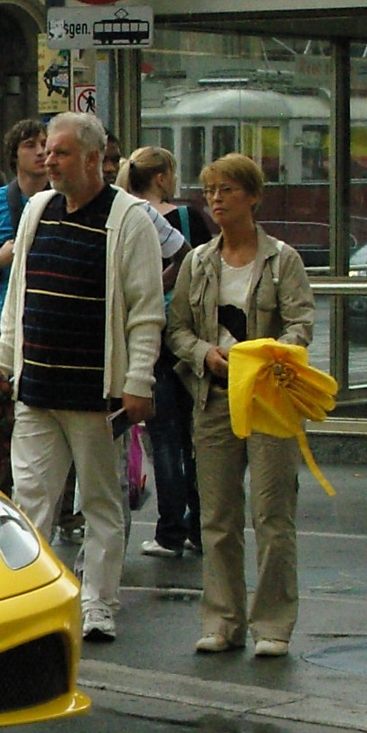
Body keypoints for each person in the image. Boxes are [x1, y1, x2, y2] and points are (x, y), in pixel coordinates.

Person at [0, 112, 165, 641]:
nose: (48, 161)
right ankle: (29, 604)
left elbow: (146, 312)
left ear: (92, 159)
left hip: (96, 394)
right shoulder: (38, 209)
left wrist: (138, 383)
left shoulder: (129, 220)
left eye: (59, 153)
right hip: (37, 389)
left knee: (100, 504)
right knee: (31, 500)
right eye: (46, 151)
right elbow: (19, 295)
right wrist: (2, 362)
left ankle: (99, 605)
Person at [166, 153, 314, 658]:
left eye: (227, 190)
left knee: (273, 515)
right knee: (217, 515)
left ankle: (272, 624)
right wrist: (204, 354)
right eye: (210, 191)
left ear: (252, 196)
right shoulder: (199, 261)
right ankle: (222, 619)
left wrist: (267, 355)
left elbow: (301, 324)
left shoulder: (282, 260)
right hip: (213, 399)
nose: (216, 200)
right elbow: (177, 328)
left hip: (269, 400)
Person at [121, 146, 208, 559]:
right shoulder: (187, 219)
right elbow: (202, 263)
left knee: (166, 437)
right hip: (186, 335)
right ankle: (201, 526)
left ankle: (169, 530)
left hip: (147, 336)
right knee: (194, 435)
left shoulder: (126, 215)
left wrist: (150, 290)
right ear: (161, 177)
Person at [0, 119, 47, 492]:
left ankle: (60, 506)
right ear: (15, 153)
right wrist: (1, 258)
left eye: (44, 144)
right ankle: (1, 492)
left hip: (47, 324)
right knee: (1, 421)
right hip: (6, 326)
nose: (40, 152)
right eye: (30, 144)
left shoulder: (62, 198)